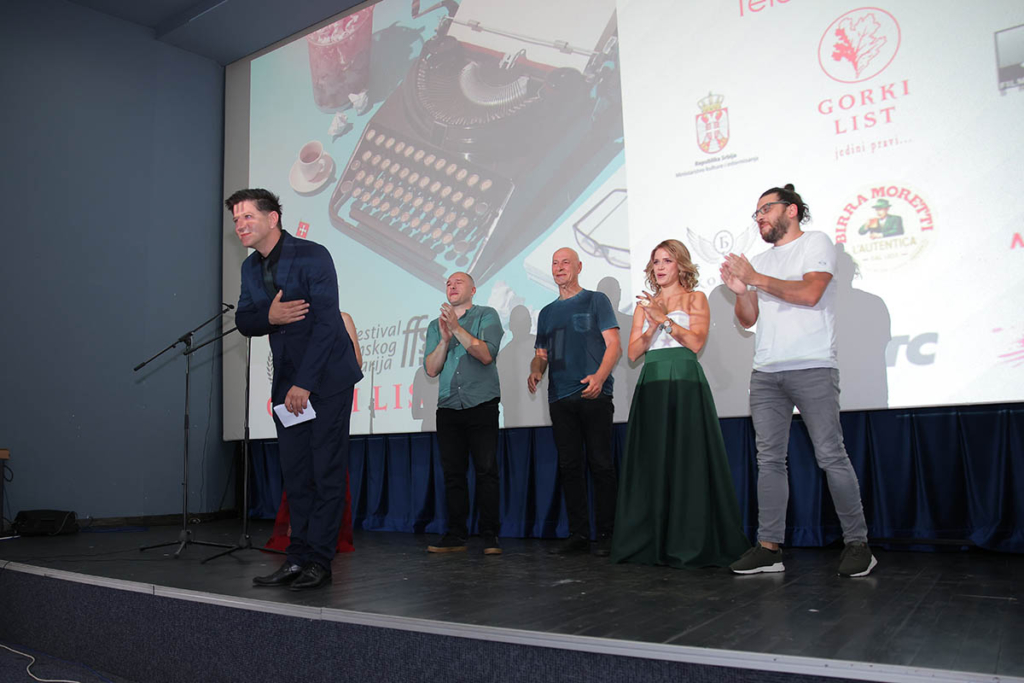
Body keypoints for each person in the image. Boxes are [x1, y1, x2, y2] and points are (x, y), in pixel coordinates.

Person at [720, 184, 877, 577]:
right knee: (769, 460)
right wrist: (741, 292)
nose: (759, 217)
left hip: (813, 366)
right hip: (766, 372)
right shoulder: (759, 260)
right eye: (756, 213)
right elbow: (748, 320)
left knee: (831, 455)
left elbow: (810, 293)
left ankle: (858, 544)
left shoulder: (816, 242)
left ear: (791, 210)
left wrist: (755, 277)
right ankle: (769, 548)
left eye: (766, 209)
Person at [229, 188, 362, 591]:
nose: (240, 226)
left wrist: (305, 383)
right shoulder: (250, 268)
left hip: (327, 380)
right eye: (236, 220)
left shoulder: (312, 254)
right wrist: (269, 316)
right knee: (297, 474)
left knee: (326, 472)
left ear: (273, 218)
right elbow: (244, 321)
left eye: (248, 217)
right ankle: (297, 558)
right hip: (287, 386)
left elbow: (327, 324)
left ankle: (319, 561)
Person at [610, 240, 749, 568]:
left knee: (688, 458)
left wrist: (665, 320)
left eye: (667, 261)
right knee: (653, 459)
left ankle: (690, 539)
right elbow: (633, 353)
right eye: (656, 261)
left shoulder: (695, 298)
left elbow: (696, 342)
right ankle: (652, 540)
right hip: (653, 381)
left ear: (681, 265)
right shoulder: (645, 305)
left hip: (685, 380)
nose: (659, 267)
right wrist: (652, 324)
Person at [529, 247, 621, 556]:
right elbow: (541, 354)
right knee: (569, 467)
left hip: (594, 394)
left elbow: (614, 345)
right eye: (554, 263)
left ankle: (608, 534)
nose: (559, 267)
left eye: (565, 262)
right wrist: (536, 370)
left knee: (601, 464)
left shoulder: (596, 300)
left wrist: (600, 377)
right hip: (559, 398)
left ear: (579, 267)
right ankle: (578, 534)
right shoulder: (546, 313)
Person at [422, 272, 504, 555]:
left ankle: (490, 535)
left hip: (481, 403)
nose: (452, 286)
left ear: (473, 289)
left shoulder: (487, 315)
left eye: (459, 282)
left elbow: (486, 354)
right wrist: (444, 339)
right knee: (453, 474)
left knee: (486, 471)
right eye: (448, 283)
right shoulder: (435, 326)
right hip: (448, 406)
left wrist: (456, 328)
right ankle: (456, 534)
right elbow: (431, 369)